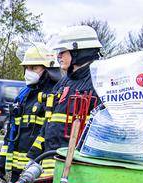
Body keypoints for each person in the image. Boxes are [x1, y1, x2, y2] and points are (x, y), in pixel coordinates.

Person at [26, 25, 102, 173]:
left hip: (77, 169)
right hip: (51, 165)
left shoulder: (98, 83)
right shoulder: (63, 82)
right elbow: (48, 125)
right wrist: (33, 156)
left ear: (79, 51)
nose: (59, 56)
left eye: (63, 52)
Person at [0, 44, 61, 183]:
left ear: (48, 69)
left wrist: (34, 157)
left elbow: (50, 132)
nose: (29, 72)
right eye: (27, 68)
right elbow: (12, 130)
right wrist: (3, 157)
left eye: (34, 68)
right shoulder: (24, 94)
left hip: (39, 170)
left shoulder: (54, 95)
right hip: (18, 170)